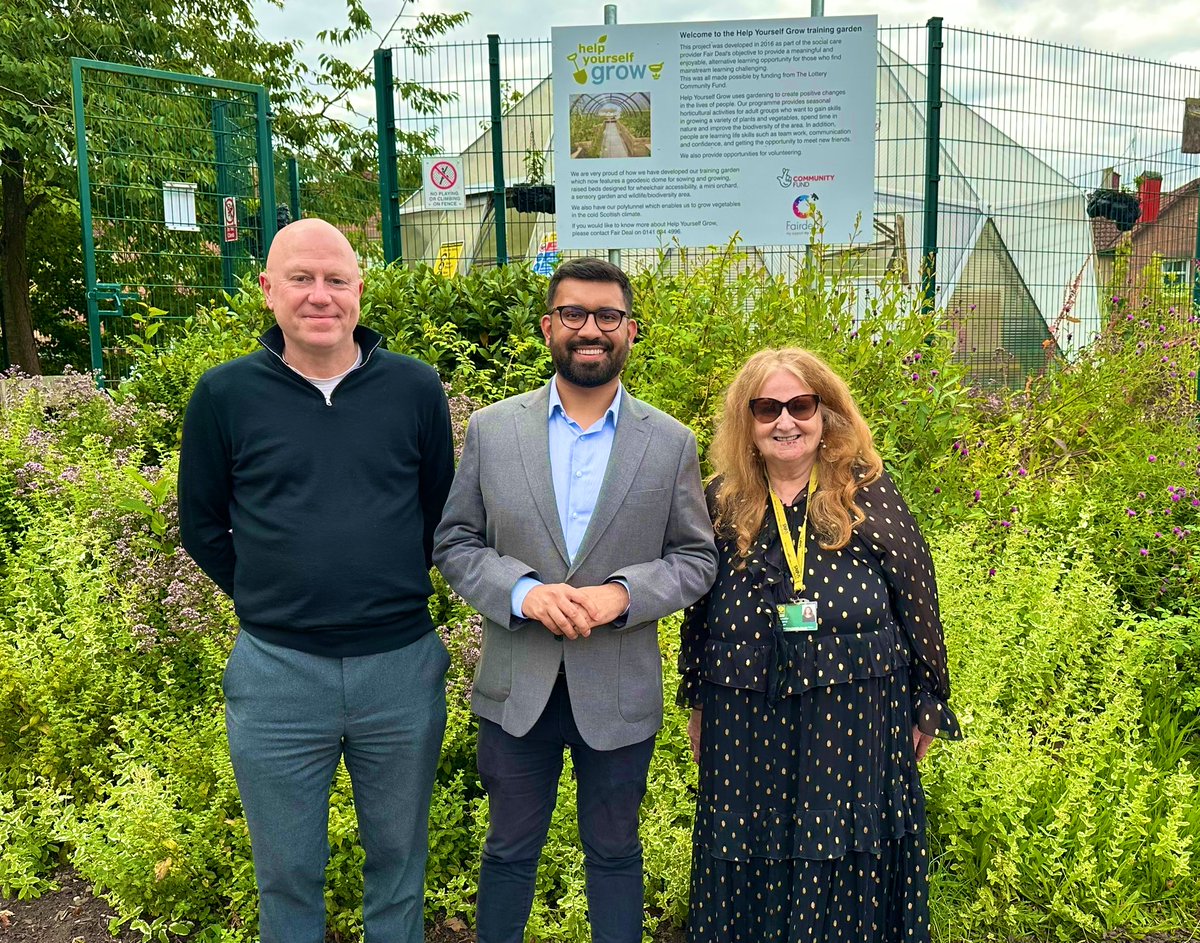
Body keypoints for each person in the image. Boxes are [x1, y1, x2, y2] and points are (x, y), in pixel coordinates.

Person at [178, 218, 455, 943]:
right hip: (277, 674)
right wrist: (273, 596)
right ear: (269, 289)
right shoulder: (224, 396)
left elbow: (439, 512)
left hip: (399, 669)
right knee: (286, 870)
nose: (320, 295)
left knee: (399, 861)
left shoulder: (416, 389)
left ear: (361, 289)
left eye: (337, 279)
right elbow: (201, 525)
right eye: (301, 278)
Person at [433, 257, 718, 943]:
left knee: (615, 853)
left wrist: (622, 595)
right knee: (507, 850)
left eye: (607, 316)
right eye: (574, 314)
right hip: (515, 688)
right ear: (548, 326)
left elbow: (696, 557)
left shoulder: (671, 441)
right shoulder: (496, 431)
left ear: (631, 330)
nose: (590, 329)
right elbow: (456, 541)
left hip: (618, 690)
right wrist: (524, 594)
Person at [678, 347, 961, 943]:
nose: (786, 421)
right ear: (747, 424)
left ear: (826, 414)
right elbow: (699, 610)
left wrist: (928, 703)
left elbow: (918, 598)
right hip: (744, 711)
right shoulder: (720, 500)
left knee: (843, 845)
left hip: (855, 710)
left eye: (801, 405)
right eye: (767, 408)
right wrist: (698, 699)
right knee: (748, 844)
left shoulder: (869, 493)